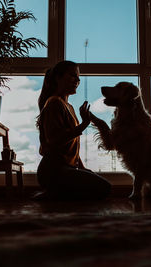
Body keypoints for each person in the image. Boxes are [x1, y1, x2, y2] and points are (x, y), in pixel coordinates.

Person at [35, 60, 112, 200]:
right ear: (58, 78)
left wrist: (82, 168)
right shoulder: (54, 103)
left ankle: (57, 194)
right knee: (104, 188)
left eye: (79, 77)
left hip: (66, 169)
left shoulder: (68, 107)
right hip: (53, 171)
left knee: (104, 186)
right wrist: (83, 125)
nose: (78, 80)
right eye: (73, 75)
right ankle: (54, 192)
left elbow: (71, 147)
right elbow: (54, 140)